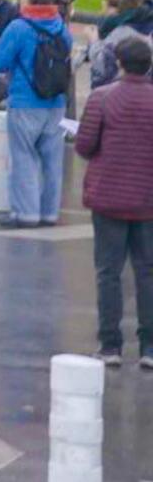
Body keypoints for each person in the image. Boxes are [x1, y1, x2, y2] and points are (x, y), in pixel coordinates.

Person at [74, 35, 153, 369]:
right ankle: (149, 348)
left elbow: (84, 145)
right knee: (147, 271)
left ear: (119, 63)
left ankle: (110, 346)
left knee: (108, 272)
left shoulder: (102, 98)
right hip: (148, 200)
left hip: (108, 197)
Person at [0, 0, 72, 229]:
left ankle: (26, 213)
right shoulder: (60, 25)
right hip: (56, 102)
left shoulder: (19, 27)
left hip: (26, 100)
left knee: (24, 157)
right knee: (52, 161)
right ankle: (49, 213)